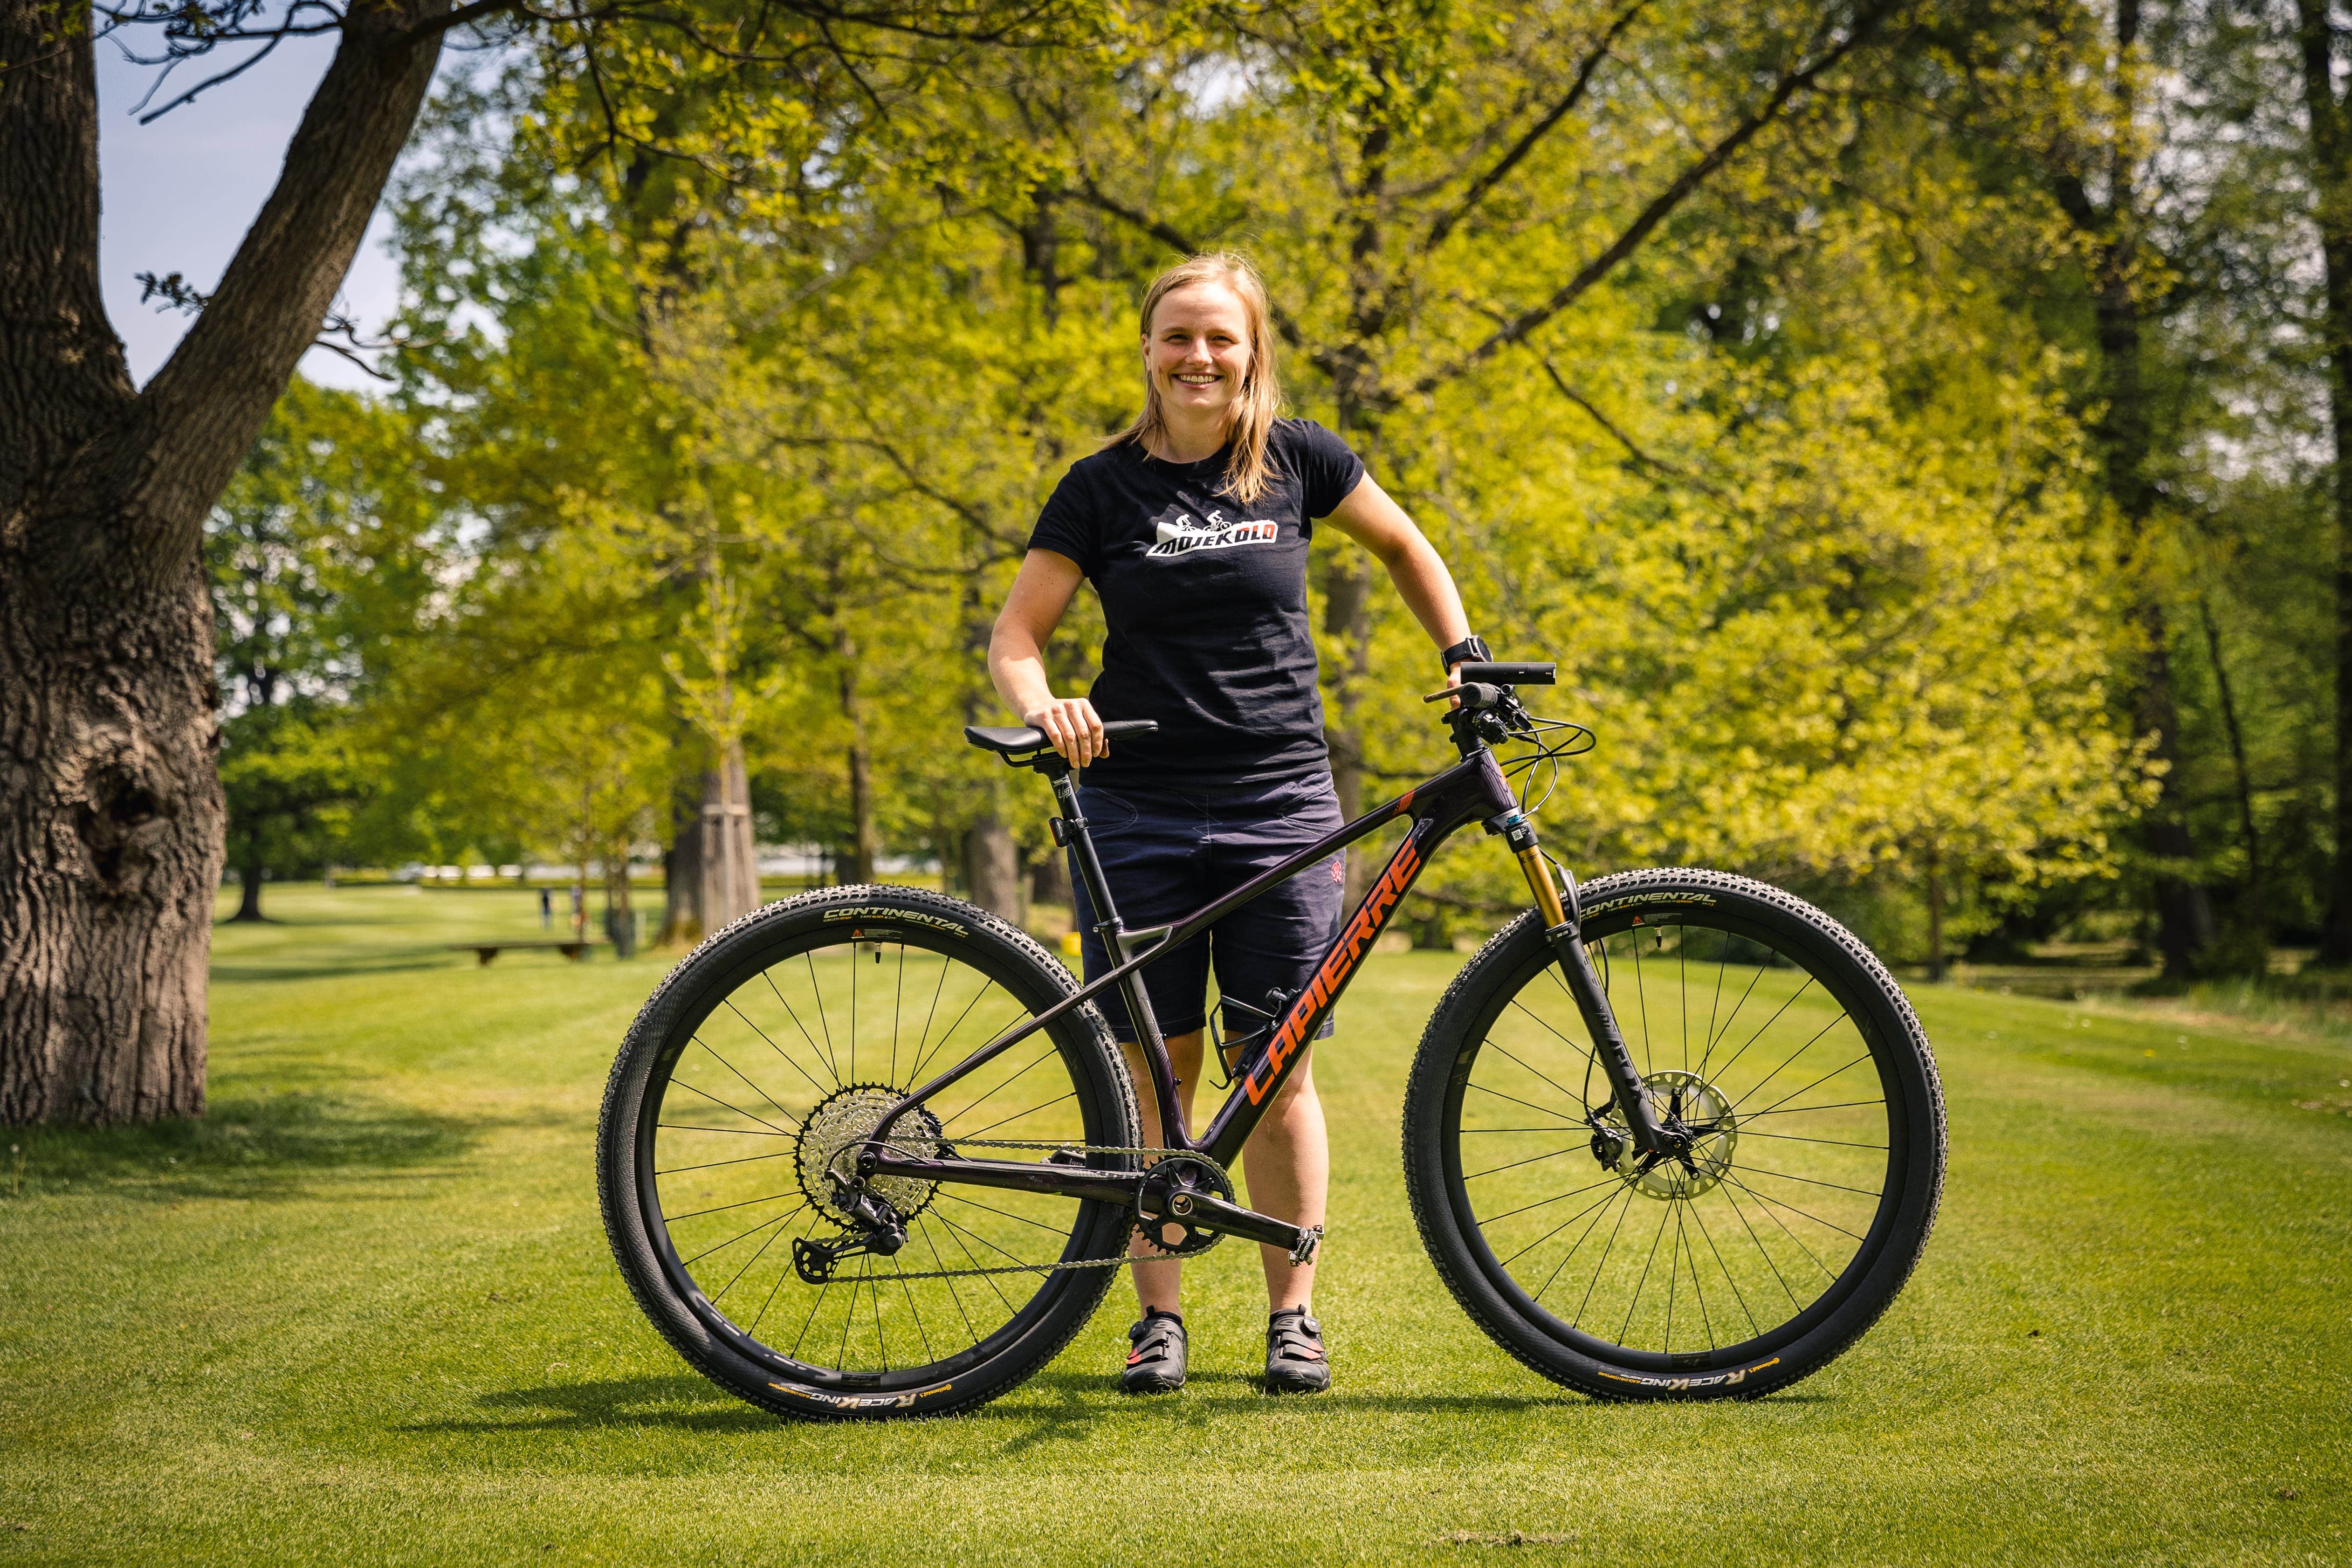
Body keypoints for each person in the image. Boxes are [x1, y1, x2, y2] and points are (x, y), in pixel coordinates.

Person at [988, 252, 1484, 1396]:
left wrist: (1462, 654)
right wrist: (1045, 705)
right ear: (1147, 351)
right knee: (1154, 1071)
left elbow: (1406, 547)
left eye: (1221, 337)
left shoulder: (1303, 460)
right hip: (1135, 809)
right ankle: (1156, 1321)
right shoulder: (1099, 486)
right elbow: (1017, 636)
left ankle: (1292, 1316)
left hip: (1283, 809)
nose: (1199, 356)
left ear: (1253, 350)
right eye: (1178, 336)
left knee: (1277, 1067)